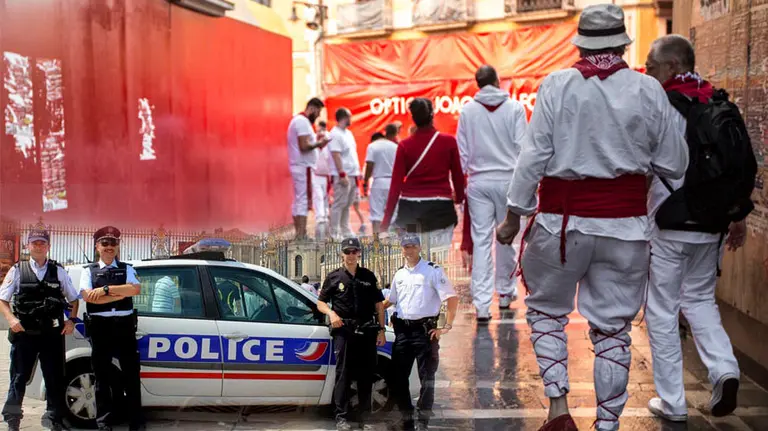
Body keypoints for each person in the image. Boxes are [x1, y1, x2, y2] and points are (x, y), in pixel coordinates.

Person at [495, 5, 688, 431]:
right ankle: (606, 425)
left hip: (560, 226)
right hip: (626, 230)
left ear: (580, 43)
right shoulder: (648, 89)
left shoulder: (557, 84)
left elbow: (533, 158)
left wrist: (512, 218)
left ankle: (560, 410)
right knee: (613, 332)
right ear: (622, 43)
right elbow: (675, 163)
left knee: (546, 312)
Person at [644, 34, 751, 422]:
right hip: (712, 225)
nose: (647, 73)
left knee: (661, 309)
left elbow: (643, 165)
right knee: (700, 299)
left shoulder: (660, 106)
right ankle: (725, 369)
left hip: (669, 224)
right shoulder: (718, 101)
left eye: (652, 67)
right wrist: (736, 215)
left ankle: (672, 403)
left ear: (673, 67)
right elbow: (731, 168)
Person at [457, 65, 528, 321]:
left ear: (477, 84)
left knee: (481, 242)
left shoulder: (467, 110)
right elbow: (523, 149)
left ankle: (482, 305)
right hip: (510, 181)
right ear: (498, 81)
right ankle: (507, 293)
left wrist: (461, 188)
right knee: (508, 238)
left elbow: (462, 153)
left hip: (478, 182)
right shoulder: (516, 108)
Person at [1, 225, 79, 431]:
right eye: (34, 242)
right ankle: (12, 421)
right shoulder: (17, 270)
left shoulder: (58, 271)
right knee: (18, 378)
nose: (38, 246)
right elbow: (2, 299)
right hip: (24, 334)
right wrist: (10, 319)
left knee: (54, 379)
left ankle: (55, 419)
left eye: (42, 243)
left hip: (51, 334)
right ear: (28, 245)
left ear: (48, 246)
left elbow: (74, 299)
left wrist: (71, 320)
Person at [384, 233, 458, 430]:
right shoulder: (399, 274)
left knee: (427, 379)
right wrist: (369, 310)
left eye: (412, 246)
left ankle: (422, 420)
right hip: (402, 332)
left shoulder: (432, 271)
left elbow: (451, 298)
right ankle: (406, 416)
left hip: (425, 332)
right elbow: (390, 300)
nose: (409, 250)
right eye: (406, 247)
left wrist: (445, 326)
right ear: (402, 249)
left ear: (419, 248)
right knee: (398, 377)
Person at [317, 237, 386, 431]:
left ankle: (364, 416)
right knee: (343, 375)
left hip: (366, 330)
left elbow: (379, 305)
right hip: (344, 331)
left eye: (354, 251)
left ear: (359, 253)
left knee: (366, 374)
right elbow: (320, 303)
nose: (351, 255)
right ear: (342, 254)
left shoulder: (368, 276)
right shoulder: (334, 277)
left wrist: (381, 330)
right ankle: (342, 417)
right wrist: (331, 313)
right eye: (347, 251)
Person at [79, 226, 144, 431]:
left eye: (113, 243)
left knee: (131, 376)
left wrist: (106, 290)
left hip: (124, 327)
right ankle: (103, 423)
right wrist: (120, 293)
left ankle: (136, 422)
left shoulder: (127, 268)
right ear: (97, 246)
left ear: (118, 246)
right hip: (100, 328)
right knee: (102, 378)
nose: (109, 247)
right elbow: (88, 297)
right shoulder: (88, 271)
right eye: (105, 243)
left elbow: (134, 289)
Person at [381, 98, 465, 242]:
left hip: (410, 209)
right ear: (432, 115)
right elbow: (458, 177)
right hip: (440, 208)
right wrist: (460, 198)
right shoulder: (449, 142)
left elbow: (396, 186)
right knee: (437, 260)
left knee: (413, 260)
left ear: (413, 118)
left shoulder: (404, 146)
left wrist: (386, 221)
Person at [288, 97, 330, 240]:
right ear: (312, 108)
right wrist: (319, 143)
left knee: (299, 200)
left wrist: (316, 142)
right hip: (303, 166)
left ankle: (300, 234)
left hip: (300, 165)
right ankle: (301, 234)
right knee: (303, 201)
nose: (318, 116)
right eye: (318, 112)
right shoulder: (302, 122)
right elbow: (304, 146)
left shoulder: (299, 121)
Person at [329, 108, 361, 240]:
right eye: (350, 117)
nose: (351, 119)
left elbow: (351, 154)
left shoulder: (348, 133)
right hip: (343, 174)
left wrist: (357, 172)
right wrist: (342, 174)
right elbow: (336, 154)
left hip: (353, 174)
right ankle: (334, 234)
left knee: (347, 204)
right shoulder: (335, 134)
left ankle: (345, 230)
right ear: (344, 118)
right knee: (339, 203)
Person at [364, 125, 399, 234]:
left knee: (376, 215)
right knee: (394, 214)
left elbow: (369, 165)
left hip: (378, 182)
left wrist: (365, 181)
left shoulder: (372, 146)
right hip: (393, 182)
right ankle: (396, 243)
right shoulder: (395, 146)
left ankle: (376, 244)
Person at [313, 121, 333, 241]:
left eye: (321, 130)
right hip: (316, 173)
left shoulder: (329, 140)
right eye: (318, 130)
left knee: (324, 196)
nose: (319, 132)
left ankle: (324, 214)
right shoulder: (315, 142)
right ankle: (320, 215)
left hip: (326, 174)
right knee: (318, 196)